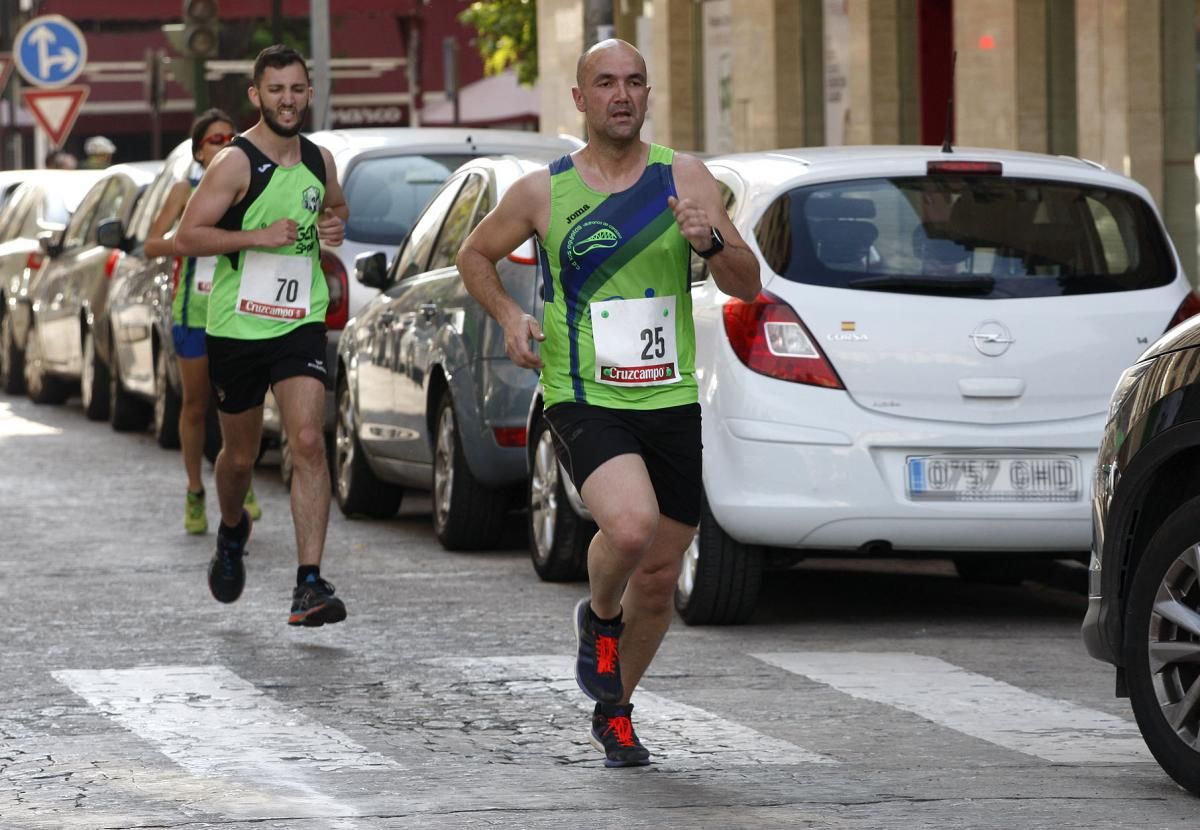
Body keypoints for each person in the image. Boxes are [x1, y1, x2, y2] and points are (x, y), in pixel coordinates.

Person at [456, 38, 760, 767]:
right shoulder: (542, 191)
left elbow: (746, 282)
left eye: (634, 83)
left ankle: (616, 710)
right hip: (583, 391)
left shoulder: (683, 176)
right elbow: (474, 255)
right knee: (629, 529)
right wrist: (508, 317)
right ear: (581, 100)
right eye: (605, 83)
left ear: (647, 95)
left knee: (658, 576)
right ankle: (597, 617)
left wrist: (711, 239)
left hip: (668, 395)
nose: (621, 95)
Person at [174, 45, 350, 627]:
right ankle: (231, 530)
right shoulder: (234, 162)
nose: (288, 100)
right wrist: (256, 239)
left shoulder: (321, 161)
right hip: (237, 327)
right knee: (241, 456)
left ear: (308, 92)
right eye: (276, 90)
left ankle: (309, 583)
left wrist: (333, 226)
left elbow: (337, 214)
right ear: (257, 95)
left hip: (299, 320)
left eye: (297, 89)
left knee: (306, 438)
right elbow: (188, 236)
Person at [144, 108, 262, 535]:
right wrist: (195, 239)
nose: (225, 142)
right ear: (198, 150)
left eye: (231, 136)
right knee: (196, 404)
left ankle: (239, 479)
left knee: (240, 401)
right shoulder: (184, 190)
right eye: (215, 138)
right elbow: (151, 245)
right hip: (193, 311)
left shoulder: (249, 187)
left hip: (239, 309)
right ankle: (195, 490)